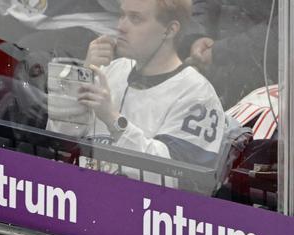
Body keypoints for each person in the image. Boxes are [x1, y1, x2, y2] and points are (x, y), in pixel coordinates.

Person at [47, 0, 225, 169]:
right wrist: (83, 76)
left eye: (135, 18)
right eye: (122, 15)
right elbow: (58, 144)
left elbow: (175, 177)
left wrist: (113, 119)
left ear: (170, 30)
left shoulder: (198, 95)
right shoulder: (110, 70)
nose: (121, 27)